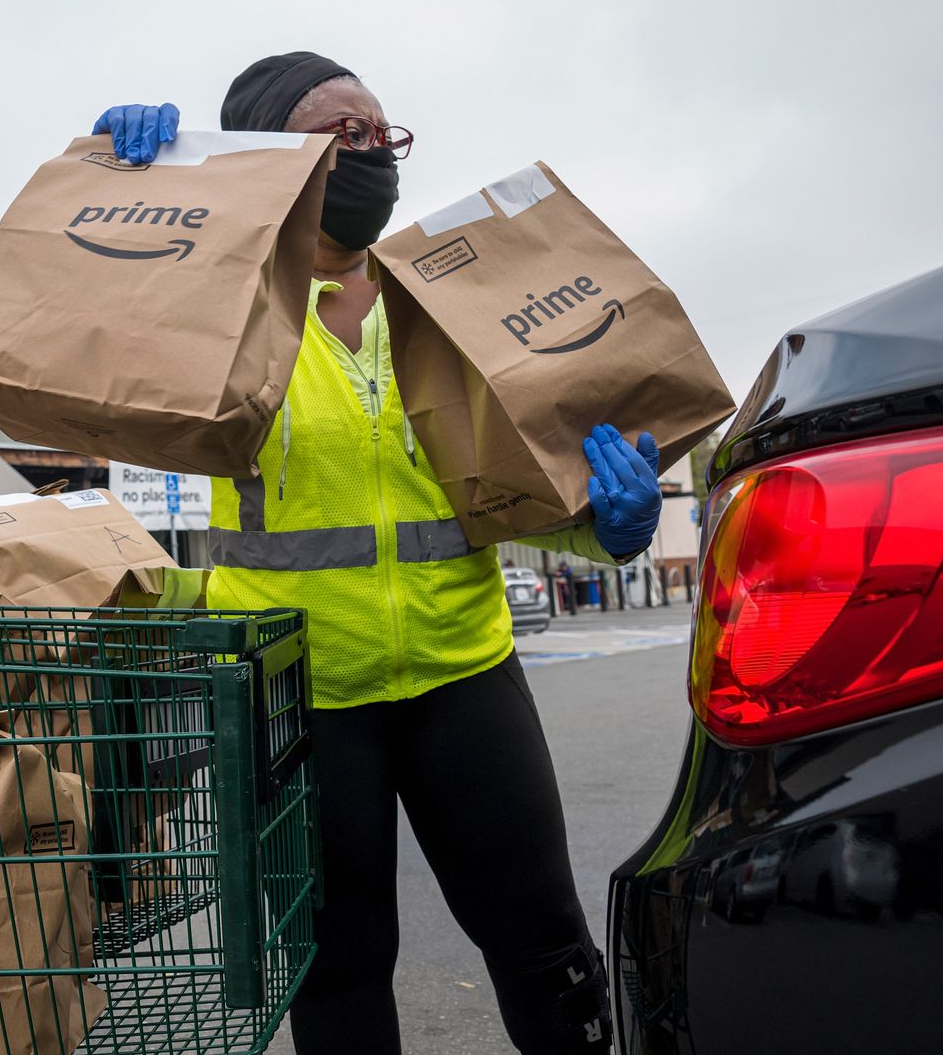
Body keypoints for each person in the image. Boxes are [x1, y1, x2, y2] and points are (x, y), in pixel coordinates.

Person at [93, 52, 662, 1054]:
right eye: (339, 135)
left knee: (546, 947)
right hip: (298, 700)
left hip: (462, 677)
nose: (370, 154)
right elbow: (102, 326)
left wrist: (605, 526)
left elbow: (502, 490)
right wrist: (136, 182)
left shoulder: (443, 308)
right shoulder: (224, 313)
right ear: (273, 158)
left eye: (380, 133)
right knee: (339, 971)